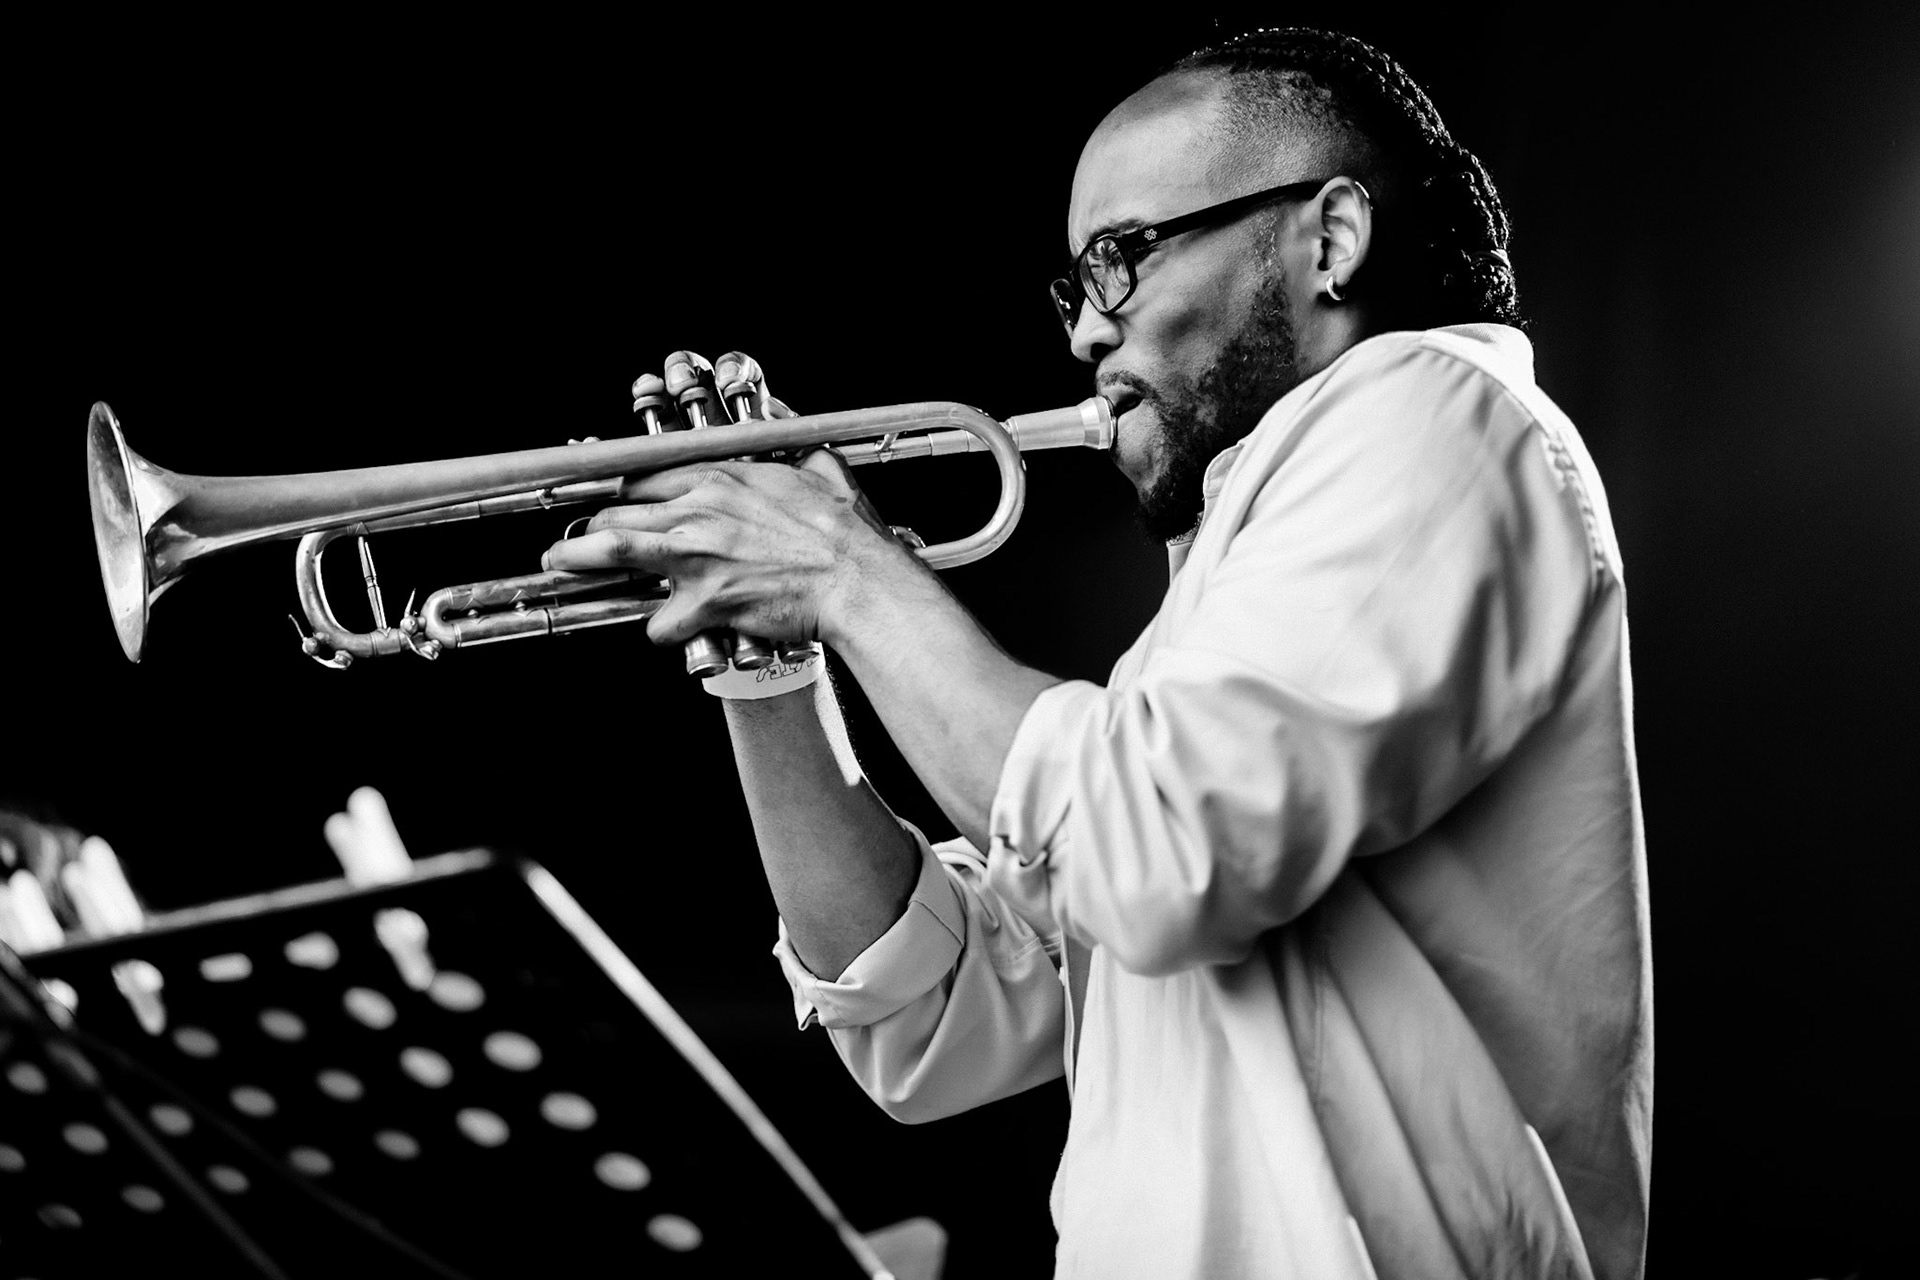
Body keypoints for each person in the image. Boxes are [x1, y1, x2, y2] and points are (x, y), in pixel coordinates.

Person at [547, 26, 1652, 1280]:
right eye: (1074, 289)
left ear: (1330, 238)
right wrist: (769, 669)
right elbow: (930, 1016)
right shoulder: (1223, 609)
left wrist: (843, 570)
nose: (1085, 332)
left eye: (1120, 259)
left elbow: (1152, 853)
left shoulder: (1434, 405)